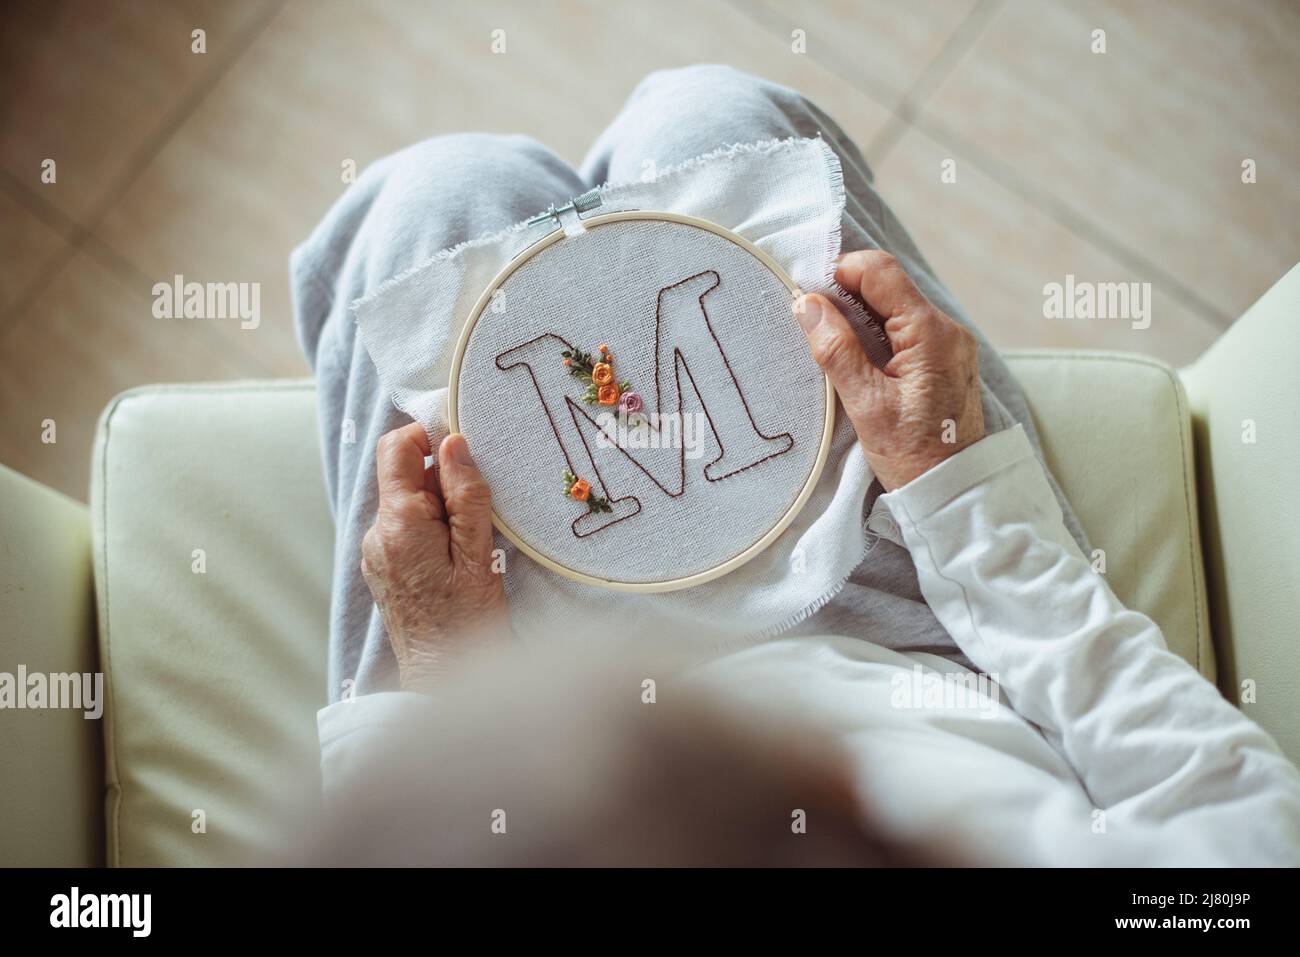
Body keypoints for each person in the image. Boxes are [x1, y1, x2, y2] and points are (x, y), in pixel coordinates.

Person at [294, 67, 1300, 865]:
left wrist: (441, 679)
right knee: (715, 119)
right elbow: (1217, 804)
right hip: (929, 642)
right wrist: (953, 488)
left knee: (440, 196)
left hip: (535, 701)